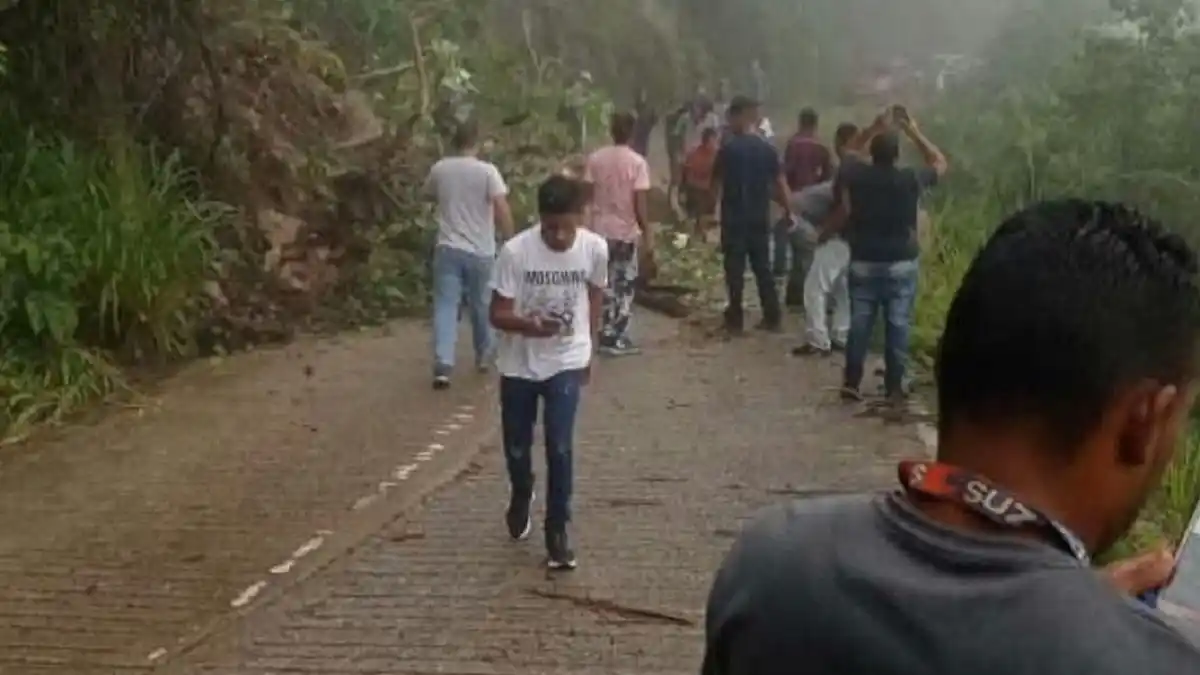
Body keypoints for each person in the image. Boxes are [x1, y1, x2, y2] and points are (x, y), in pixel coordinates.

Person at [701, 199, 1200, 674]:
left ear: (950, 359)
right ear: (1143, 421)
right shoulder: (1150, 663)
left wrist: (1085, 609)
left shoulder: (772, 564)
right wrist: (1103, 626)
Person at [489, 175, 608, 570]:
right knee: (517, 446)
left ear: (581, 216)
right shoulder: (515, 252)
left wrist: (589, 347)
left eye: (566, 227)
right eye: (550, 227)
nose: (558, 236)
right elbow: (497, 314)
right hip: (519, 365)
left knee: (559, 445)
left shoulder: (595, 249)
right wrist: (528, 325)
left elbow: (595, 294)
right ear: (539, 218)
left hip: (566, 360)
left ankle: (557, 529)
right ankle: (522, 491)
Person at [823, 107, 946, 402]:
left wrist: (874, 127)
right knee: (898, 323)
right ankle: (894, 385)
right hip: (901, 261)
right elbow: (939, 163)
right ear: (897, 155)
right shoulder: (909, 178)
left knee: (860, 323)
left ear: (872, 153)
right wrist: (913, 131)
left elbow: (848, 152)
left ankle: (852, 382)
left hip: (864, 259)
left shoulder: (857, 175)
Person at [425, 120, 514, 389]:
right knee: (482, 304)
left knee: (446, 305)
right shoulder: (488, 172)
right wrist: (510, 239)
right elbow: (501, 207)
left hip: (448, 247)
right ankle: (484, 354)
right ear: (476, 142)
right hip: (481, 250)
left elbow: (427, 195)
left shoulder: (440, 168)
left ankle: (443, 363)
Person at [711, 95, 793, 333]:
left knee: (734, 270)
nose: (729, 122)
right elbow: (780, 183)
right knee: (762, 267)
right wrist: (789, 211)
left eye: (731, 117)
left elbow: (715, 185)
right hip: (758, 218)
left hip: (734, 219)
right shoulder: (767, 150)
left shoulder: (728, 150)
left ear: (740, 117)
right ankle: (772, 316)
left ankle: (735, 319)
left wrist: (707, 213)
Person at [583, 111, 654, 356]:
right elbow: (640, 204)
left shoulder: (595, 159)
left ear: (611, 131)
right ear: (632, 132)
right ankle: (616, 336)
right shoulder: (637, 163)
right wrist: (648, 232)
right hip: (624, 232)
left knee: (600, 282)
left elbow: (587, 197)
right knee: (623, 283)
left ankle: (599, 332)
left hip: (598, 230)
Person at [787, 122, 859, 355]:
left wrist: (823, 233)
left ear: (841, 143)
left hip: (839, 237)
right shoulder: (866, 169)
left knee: (814, 287)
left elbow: (844, 208)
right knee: (842, 288)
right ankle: (842, 335)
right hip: (858, 240)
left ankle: (818, 339)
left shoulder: (848, 169)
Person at [778, 107, 834, 285]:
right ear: (815, 124)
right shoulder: (822, 147)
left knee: (793, 240)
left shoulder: (792, 145)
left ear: (800, 123)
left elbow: (785, 172)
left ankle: (786, 276)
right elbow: (829, 176)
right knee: (810, 245)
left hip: (793, 198)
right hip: (815, 203)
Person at [682, 127, 720, 236]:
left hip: (709, 190)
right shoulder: (694, 153)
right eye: (712, 141)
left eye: (715, 140)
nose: (714, 144)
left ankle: (702, 233)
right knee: (694, 216)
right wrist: (684, 189)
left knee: (706, 217)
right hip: (695, 189)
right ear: (705, 141)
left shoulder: (718, 154)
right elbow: (686, 172)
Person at [630, 87, 657, 158]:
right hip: (636, 131)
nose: (643, 97)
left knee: (643, 148)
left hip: (645, 130)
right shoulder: (634, 107)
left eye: (644, 95)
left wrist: (650, 126)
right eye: (641, 95)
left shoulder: (650, 108)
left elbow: (654, 119)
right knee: (635, 148)